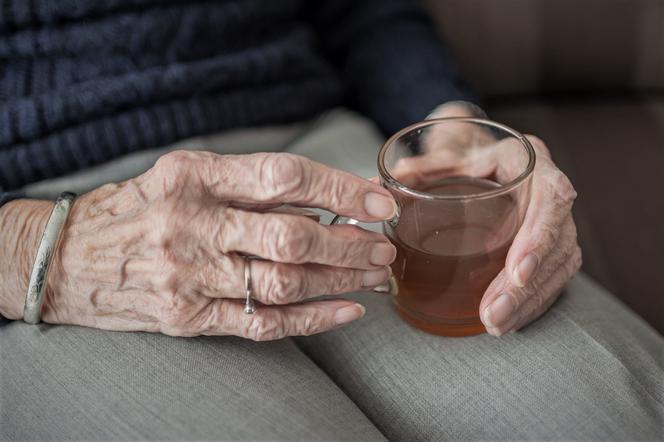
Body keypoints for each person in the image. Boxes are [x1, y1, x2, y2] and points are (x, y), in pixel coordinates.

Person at [0, 1, 661, 440]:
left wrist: (449, 132)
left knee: (612, 415)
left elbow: (362, 10)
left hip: (325, 147)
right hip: (62, 217)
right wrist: (41, 251)